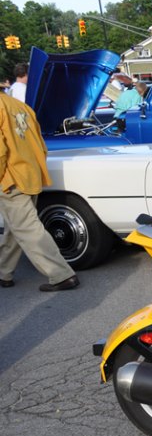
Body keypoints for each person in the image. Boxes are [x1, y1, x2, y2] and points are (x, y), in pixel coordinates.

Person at [0, 93, 79, 291]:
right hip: (29, 173)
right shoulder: (19, 105)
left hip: (11, 177)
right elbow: (39, 143)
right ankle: (3, 272)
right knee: (18, 226)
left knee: (27, 228)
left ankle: (61, 275)